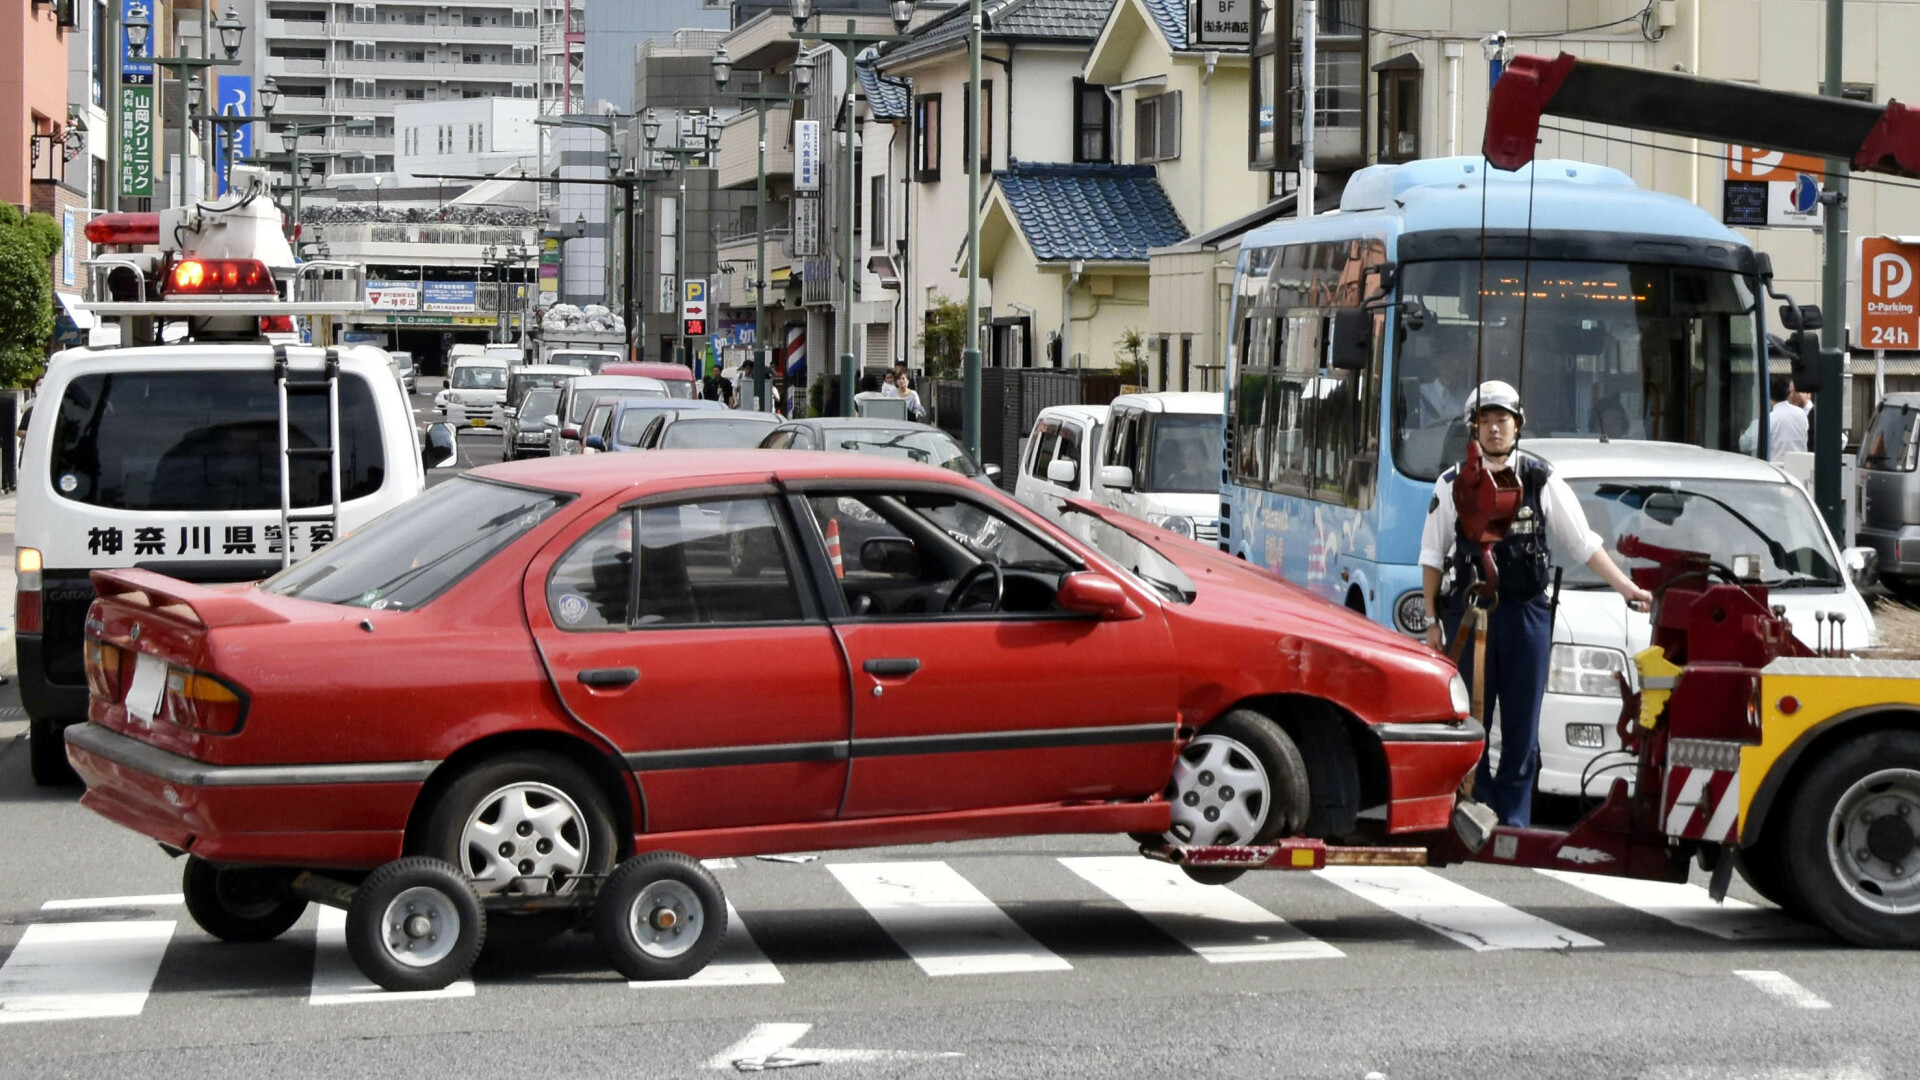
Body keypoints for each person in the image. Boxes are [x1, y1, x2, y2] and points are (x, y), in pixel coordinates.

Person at [1420, 381, 1652, 827]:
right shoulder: (1451, 483)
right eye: (1484, 421)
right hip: (1470, 615)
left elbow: (1583, 543)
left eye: (1501, 420)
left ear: (1517, 425)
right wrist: (1432, 619)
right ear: (1473, 428)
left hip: (1526, 614)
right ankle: (1474, 809)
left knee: (1524, 726)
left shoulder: (1540, 478)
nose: (1493, 429)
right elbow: (1432, 555)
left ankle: (1515, 821)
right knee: (1471, 721)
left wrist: (1628, 589)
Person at [1767, 374, 1808, 461]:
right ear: (1789, 393)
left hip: (1777, 468)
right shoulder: (1801, 413)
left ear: (1768, 394)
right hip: (1801, 466)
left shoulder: (1769, 419)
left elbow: (1746, 443)